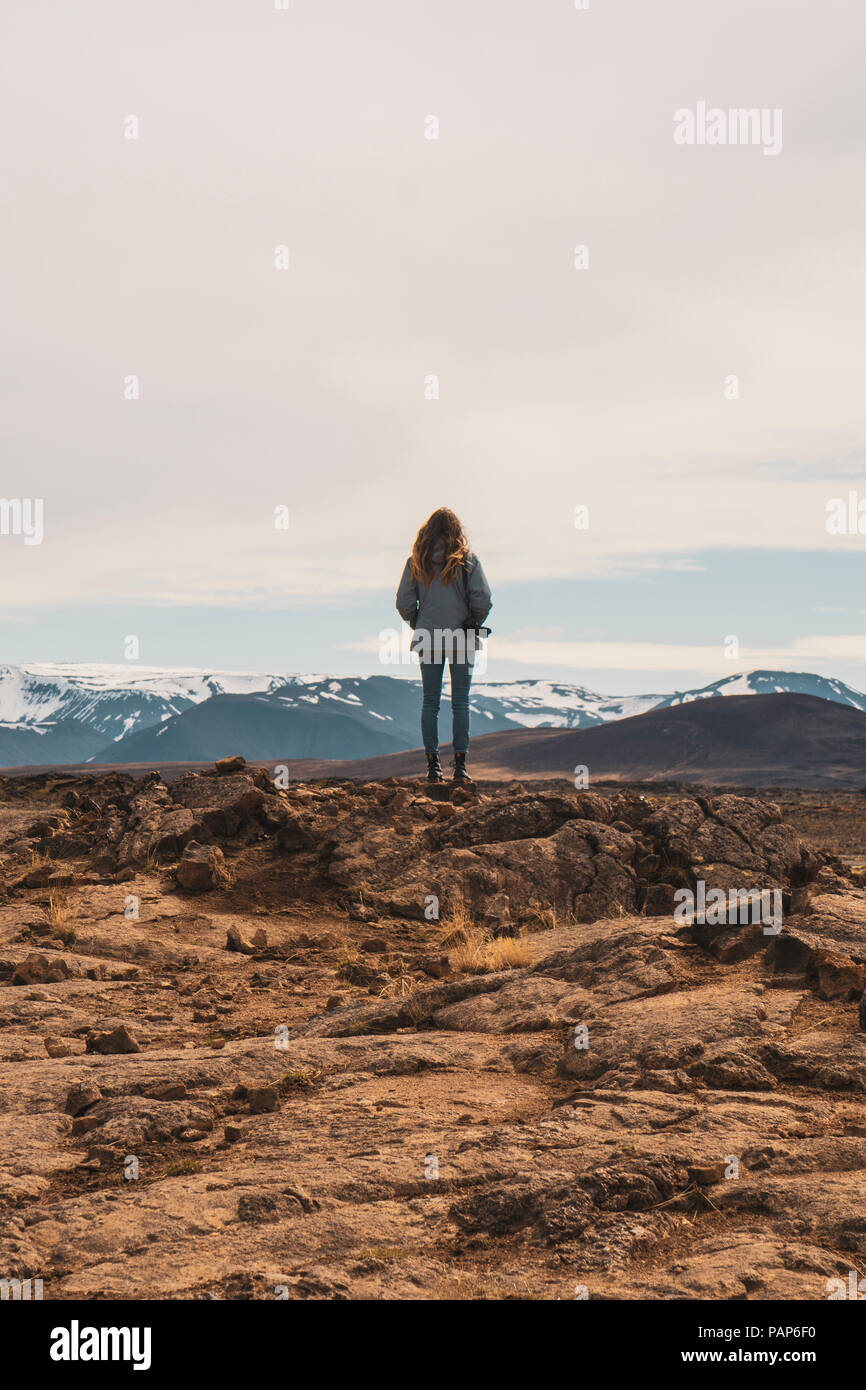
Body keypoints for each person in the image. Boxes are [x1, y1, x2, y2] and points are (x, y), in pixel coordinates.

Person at [395, 507, 492, 783]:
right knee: (460, 702)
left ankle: (433, 767)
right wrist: (474, 619)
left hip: (428, 637)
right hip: (462, 637)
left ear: (427, 531)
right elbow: (483, 598)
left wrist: (419, 622)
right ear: (456, 531)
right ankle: (460, 768)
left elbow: (403, 601)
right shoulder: (468, 561)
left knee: (430, 702)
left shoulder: (416, 561)